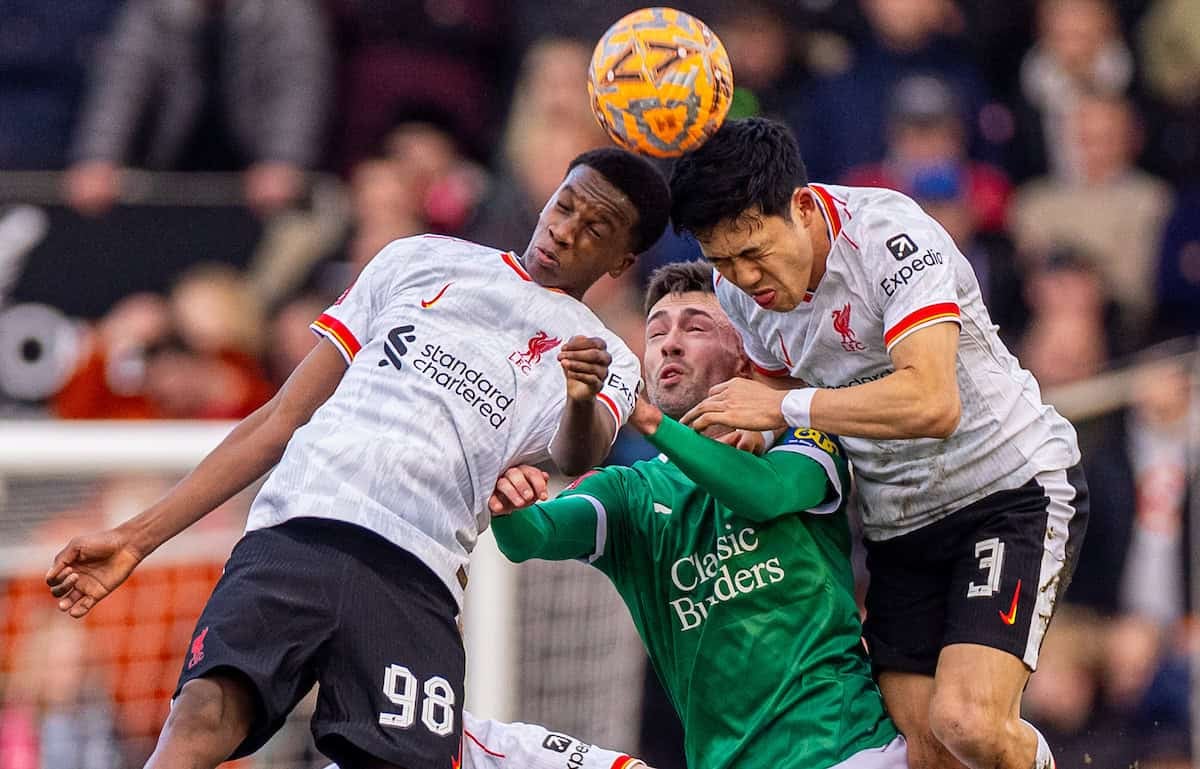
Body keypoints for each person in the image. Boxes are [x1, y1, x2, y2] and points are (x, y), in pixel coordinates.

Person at [44, 147, 670, 769]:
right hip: (298, 530)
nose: (564, 231)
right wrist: (135, 539)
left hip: (414, 573)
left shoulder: (605, 356)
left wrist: (581, 397)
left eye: (595, 229)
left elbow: (574, 452)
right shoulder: (419, 259)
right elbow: (279, 418)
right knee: (202, 715)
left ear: (622, 259)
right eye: (564, 207)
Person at [669, 117, 1087, 769]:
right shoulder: (740, 294)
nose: (743, 276)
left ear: (802, 206)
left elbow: (933, 401)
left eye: (753, 252)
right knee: (925, 752)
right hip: (898, 526)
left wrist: (780, 405)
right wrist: (759, 427)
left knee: (968, 722)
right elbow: (786, 394)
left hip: (1008, 491)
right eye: (723, 260)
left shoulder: (888, 235)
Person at [488, 261, 905, 769]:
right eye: (657, 330)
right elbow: (531, 537)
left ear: (746, 356)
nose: (669, 342)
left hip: (848, 749)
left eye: (696, 327)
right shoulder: (631, 492)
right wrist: (510, 503)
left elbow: (765, 495)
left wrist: (647, 419)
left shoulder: (802, 438)